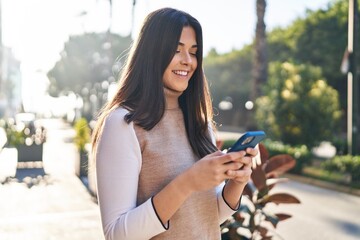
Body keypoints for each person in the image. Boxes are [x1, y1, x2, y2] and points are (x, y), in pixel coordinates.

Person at [91, 7, 258, 240]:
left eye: (193, 51)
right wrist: (187, 183)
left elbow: (204, 216)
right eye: (176, 50)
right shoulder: (123, 124)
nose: (187, 61)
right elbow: (117, 234)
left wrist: (237, 182)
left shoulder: (200, 124)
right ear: (152, 53)